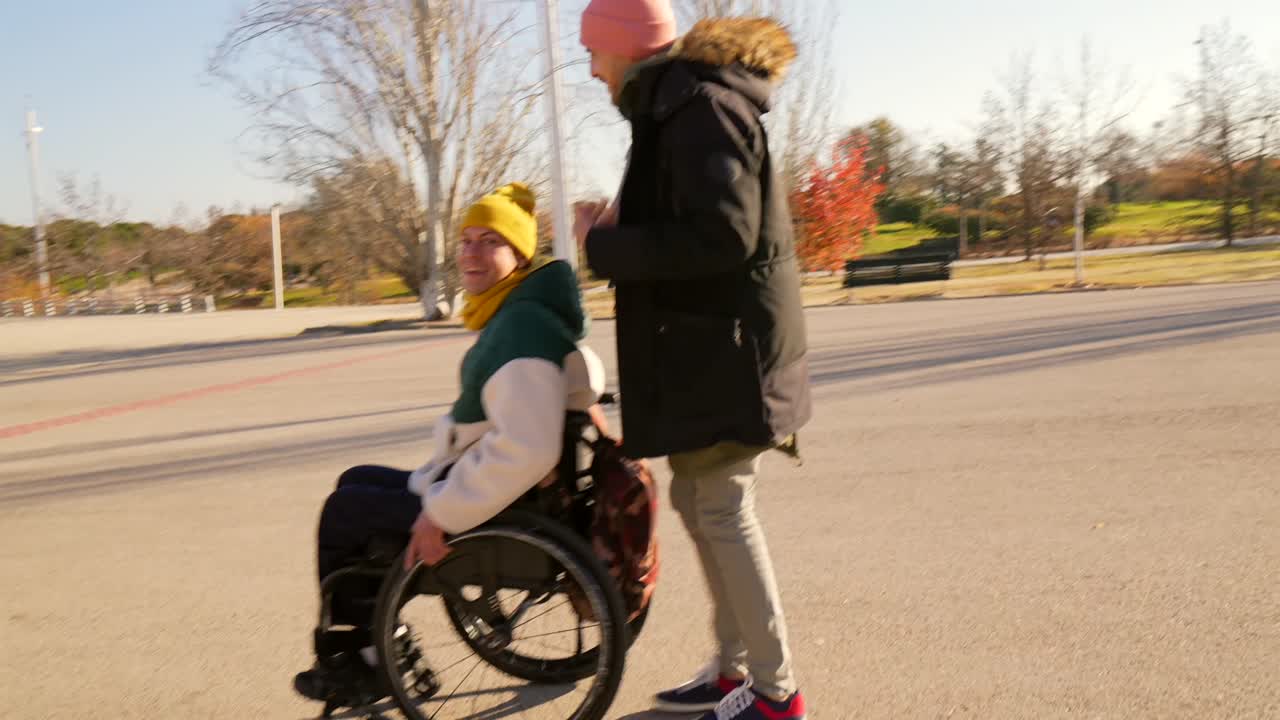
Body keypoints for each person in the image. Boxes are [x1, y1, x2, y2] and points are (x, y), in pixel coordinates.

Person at [573, 2, 812, 719]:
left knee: (722, 506)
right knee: (697, 501)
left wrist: (605, 246)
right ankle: (735, 671)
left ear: (625, 45)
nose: (591, 68)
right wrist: (618, 228)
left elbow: (724, 235)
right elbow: (697, 224)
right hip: (710, 351)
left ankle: (775, 694)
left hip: (729, 354)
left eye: (594, 51)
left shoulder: (699, 107)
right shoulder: (678, 106)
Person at [294, 182, 605, 705]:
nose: (471, 253)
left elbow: (527, 450)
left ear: (520, 255)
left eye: (491, 241)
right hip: (488, 486)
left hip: (493, 506)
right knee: (356, 480)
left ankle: (368, 660)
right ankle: (380, 640)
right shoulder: (519, 312)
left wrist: (439, 513)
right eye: (466, 240)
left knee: (344, 512)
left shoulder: (521, 328)